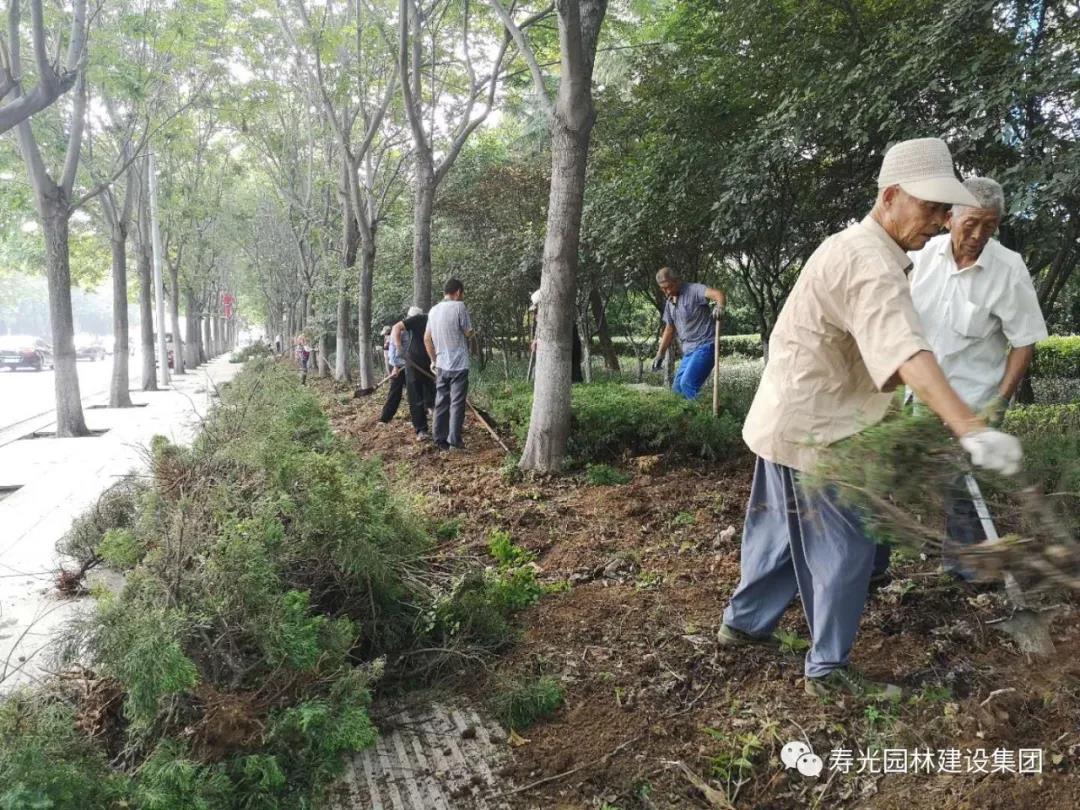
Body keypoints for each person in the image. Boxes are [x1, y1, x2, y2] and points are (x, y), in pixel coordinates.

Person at [718, 138, 1024, 699]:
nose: (939, 222)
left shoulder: (860, 247)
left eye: (942, 210)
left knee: (781, 535)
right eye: (931, 208)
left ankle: (744, 624)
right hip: (824, 432)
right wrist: (971, 427)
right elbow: (907, 352)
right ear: (890, 196)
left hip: (788, 418)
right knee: (847, 548)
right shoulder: (870, 263)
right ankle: (829, 673)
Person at [907, 176, 1048, 580]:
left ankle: (969, 572)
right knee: (904, 475)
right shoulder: (922, 256)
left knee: (959, 484)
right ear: (950, 217)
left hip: (971, 398)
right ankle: (876, 564)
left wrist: (999, 404)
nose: (978, 235)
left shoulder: (1008, 269)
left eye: (990, 225)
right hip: (916, 393)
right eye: (971, 224)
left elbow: (1024, 342)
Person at [652, 268, 726, 398]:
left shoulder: (694, 290)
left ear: (677, 281)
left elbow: (718, 294)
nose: (666, 292)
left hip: (706, 346)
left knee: (687, 384)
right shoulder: (669, 303)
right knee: (677, 390)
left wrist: (720, 306)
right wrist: (660, 354)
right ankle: (686, 417)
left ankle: (701, 416)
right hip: (689, 351)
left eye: (668, 287)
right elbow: (669, 329)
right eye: (663, 289)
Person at [425, 278, 474, 450]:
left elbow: (427, 338)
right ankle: (454, 441)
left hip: (441, 365)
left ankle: (439, 440)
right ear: (458, 292)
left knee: (441, 401)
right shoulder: (459, 307)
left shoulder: (433, 310)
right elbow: (468, 332)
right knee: (457, 403)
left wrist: (433, 360)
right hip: (459, 364)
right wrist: (473, 331)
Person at [393, 306, 435, 440]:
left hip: (433, 362)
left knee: (436, 394)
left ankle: (440, 427)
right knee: (415, 396)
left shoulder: (436, 318)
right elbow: (396, 328)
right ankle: (421, 430)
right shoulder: (418, 319)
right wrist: (399, 347)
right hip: (414, 363)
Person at [528, 289, 583, 383]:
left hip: (566, 361)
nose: (536, 314)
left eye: (537, 310)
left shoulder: (562, 318)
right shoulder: (544, 320)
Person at [376, 315, 410, 428]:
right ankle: (384, 418)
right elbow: (392, 352)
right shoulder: (399, 332)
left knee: (414, 392)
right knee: (395, 392)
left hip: (410, 366)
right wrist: (395, 366)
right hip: (398, 367)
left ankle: (421, 415)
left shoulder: (413, 331)